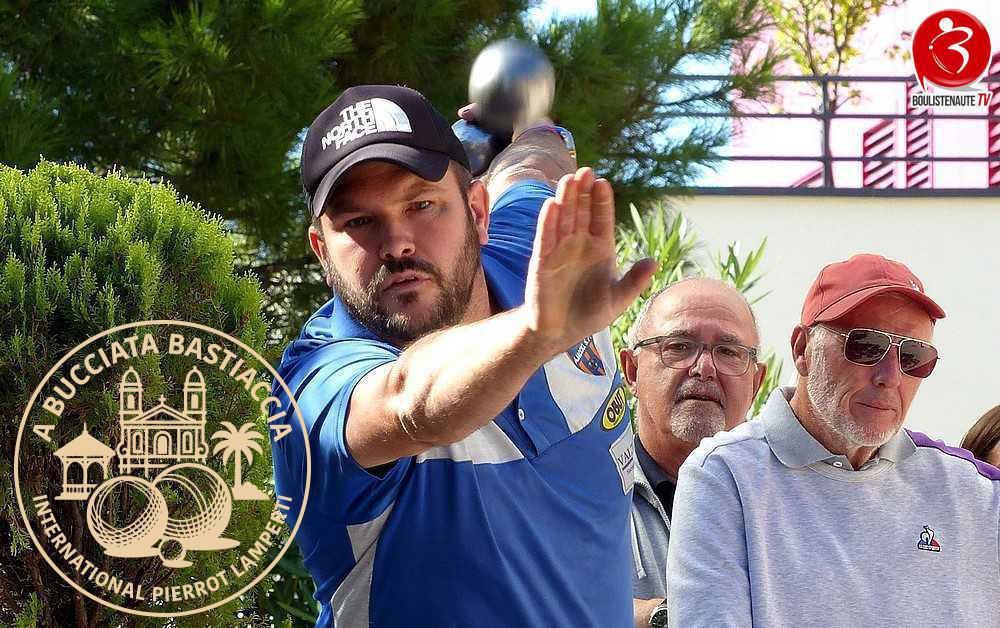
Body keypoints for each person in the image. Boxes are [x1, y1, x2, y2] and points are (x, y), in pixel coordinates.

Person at [268, 84, 656, 627]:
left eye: (421, 205)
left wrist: (536, 127)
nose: (397, 243)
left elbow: (533, 168)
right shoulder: (314, 384)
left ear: (478, 211)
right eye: (358, 222)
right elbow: (408, 401)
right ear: (321, 252)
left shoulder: (529, 247)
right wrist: (536, 330)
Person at [666, 253, 1000, 627]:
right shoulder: (725, 475)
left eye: (913, 356)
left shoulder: (977, 492)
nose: (890, 376)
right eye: (866, 346)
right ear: (802, 350)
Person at [619, 278, 766, 628]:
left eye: (728, 352)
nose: (704, 368)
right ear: (632, 370)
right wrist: (665, 617)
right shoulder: (576, 492)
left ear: (756, 383)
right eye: (679, 346)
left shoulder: (789, 504)